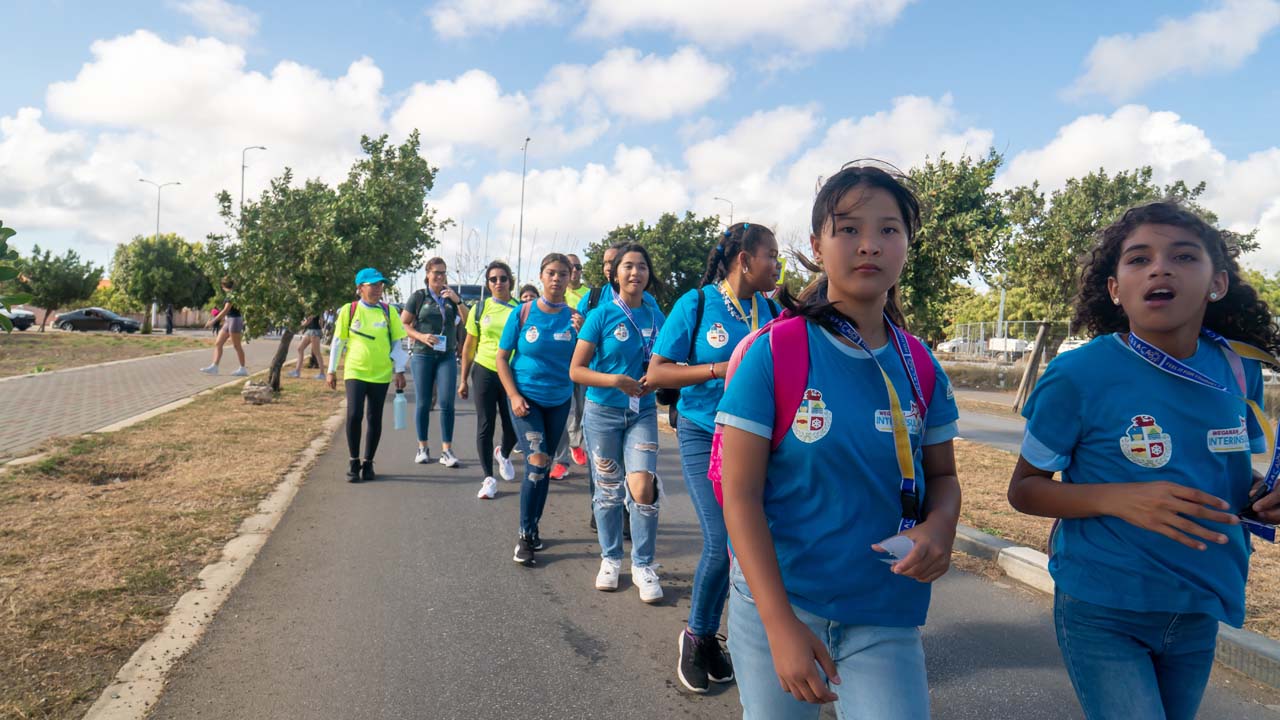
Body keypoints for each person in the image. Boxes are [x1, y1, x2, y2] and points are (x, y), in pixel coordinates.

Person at [1007, 200, 1280, 720]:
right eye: (1139, 259)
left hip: (1200, 603)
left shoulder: (1238, 369)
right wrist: (1120, 499)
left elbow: (1230, 468)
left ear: (1217, 282)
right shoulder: (1077, 375)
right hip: (1104, 604)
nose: (1160, 269)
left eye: (1184, 256)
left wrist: (1262, 493)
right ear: (1115, 289)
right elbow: (1024, 490)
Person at [717, 162, 960, 718]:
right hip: (780, 601)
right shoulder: (774, 353)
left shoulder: (920, 365)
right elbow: (739, 496)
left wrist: (940, 526)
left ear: (906, 245)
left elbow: (943, 477)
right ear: (817, 245)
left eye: (888, 230)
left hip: (884, 611)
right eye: (848, 229)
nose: (869, 244)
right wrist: (779, 624)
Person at [647, 221, 783, 693]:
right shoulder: (696, 304)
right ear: (745, 260)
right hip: (703, 433)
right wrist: (718, 369)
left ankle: (737, 640)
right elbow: (657, 373)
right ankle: (698, 635)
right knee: (724, 538)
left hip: (756, 441)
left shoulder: (772, 310)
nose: (777, 265)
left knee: (759, 542)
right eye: (771, 255)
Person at [570, 242, 666, 603]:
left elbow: (666, 361)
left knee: (642, 487)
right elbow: (576, 370)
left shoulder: (656, 315)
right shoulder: (601, 315)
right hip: (603, 412)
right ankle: (610, 559)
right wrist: (615, 381)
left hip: (642, 411)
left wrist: (656, 379)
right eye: (628, 266)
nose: (635, 273)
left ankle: (643, 564)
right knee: (608, 490)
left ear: (648, 274)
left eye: (642, 266)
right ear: (615, 273)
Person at [497, 253, 583, 565]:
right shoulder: (522, 313)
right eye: (551, 273)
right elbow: (501, 358)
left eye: (563, 274)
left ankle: (533, 529)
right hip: (526, 399)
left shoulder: (576, 318)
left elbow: (587, 361)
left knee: (544, 465)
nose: (557, 279)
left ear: (570, 278)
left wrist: (585, 332)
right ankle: (524, 536)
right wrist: (513, 395)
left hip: (559, 400)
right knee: (535, 461)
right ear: (542, 276)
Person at [327, 268, 408, 483]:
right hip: (355, 371)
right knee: (354, 414)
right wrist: (331, 370)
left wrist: (400, 370)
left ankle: (368, 462)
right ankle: (354, 461)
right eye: (373, 285)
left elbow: (397, 343)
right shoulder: (350, 310)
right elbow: (338, 341)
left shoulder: (389, 312)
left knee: (374, 417)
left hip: (381, 373)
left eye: (380, 285)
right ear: (360, 288)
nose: (377, 289)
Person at [401, 257, 469, 468]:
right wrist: (421, 337)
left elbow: (468, 321)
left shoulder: (450, 298)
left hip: (446, 355)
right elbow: (404, 324)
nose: (440, 276)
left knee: (447, 402)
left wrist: (458, 301)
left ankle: (447, 450)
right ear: (428, 274)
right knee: (423, 402)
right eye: (436, 272)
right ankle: (422, 447)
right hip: (423, 354)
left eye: (443, 272)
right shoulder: (419, 297)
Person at [460, 260, 520, 500]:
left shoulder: (521, 309)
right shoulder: (480, 308)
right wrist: (463, 379)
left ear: (510, 282)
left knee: (513, 424)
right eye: (493, 279)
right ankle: (488, 478)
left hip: (511, 372)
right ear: (488, 283)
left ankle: (503, 453)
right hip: (484, 369)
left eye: (503, 278)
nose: (498, 283)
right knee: (485, 424)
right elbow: (468, 346)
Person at [551, 253, 591, 478]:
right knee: (563, 410)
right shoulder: (556, 292)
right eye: (570, 267)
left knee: (582, 407)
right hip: (560, 361)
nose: (574, 271)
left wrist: (583, 327)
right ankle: (561, 460)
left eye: (577, 267)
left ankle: (577, 442)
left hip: (583, 359)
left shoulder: (589, 295)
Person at [200, 277, 248, 376]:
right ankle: (214, 367)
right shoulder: (231, 294)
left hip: (235, 320)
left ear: (223, 285)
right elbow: (227, 312)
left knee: (237, 345)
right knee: (218, 343)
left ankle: (243, 369)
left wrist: (213, 321)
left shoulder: (232, 295)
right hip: (229, 320)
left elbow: (225, 310)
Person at [287, 314, 326, 379]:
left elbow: (308, 321)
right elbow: (321, 322)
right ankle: (297, 371)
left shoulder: (313, 310)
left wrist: (298, 326)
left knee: (317, 353)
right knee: (300, 349)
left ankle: (322, 374)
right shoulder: (318, 310)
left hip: (314, 332)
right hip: (311, 331)